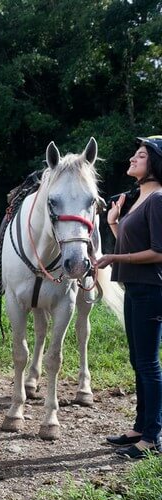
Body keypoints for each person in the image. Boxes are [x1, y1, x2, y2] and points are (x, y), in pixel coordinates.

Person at [96, 135, 162, 460]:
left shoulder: (159, 199)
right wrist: (113, 223)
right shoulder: (138, 199)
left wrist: (114, 259)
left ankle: (152, 438)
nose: (133, 159)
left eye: (141, 155)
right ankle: (140, 427)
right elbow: (132, 242)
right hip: (135, 287)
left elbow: (158, 252)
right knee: (139, 360)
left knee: (148, 363)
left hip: (152, 289)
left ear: (155, 164)